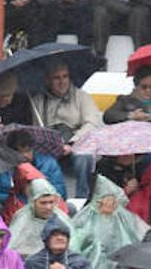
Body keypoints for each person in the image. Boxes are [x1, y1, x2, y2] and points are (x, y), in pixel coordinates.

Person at [28, 59, 101, 199]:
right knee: (41, 162)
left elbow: (91, 124)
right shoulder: (37, 100)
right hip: (49, 146)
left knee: (84, 157)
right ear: (48, 80)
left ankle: (82, 198)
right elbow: (34, 129)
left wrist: (72, 144)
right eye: (57, 78)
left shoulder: (82, 96)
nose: (62, 81)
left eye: (65, 76)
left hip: (77, 143)